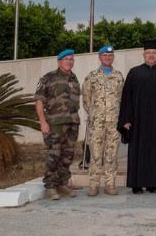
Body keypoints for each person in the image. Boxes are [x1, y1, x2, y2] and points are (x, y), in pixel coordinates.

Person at [118, 40, 156, 194]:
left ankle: (153, 183)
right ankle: (137, 184)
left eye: (154, 53)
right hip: (138, 122)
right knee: (138, 152)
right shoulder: (134, 72)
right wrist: (126, 120)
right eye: (148, 53)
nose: (151, 56)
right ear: (143, 55)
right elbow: (127, 98)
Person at [34, 49, 81, 201]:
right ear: (59, 61)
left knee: (67, 156)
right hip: (54, 124)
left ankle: (61, 184)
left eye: (71, 59)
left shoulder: (74, 78)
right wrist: (42, 122)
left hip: (72, 123)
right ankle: (50, 187)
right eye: (66, 59)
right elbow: (39, 101)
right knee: (54, 156)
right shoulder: (48, 78)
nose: (69, 61)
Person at [82, 45, 124, 196]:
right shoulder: (91, 76)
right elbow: (86, 99)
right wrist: (94, 114)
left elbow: (122, 98)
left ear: (113, 57)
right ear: (99, 57)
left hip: (114, 122)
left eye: (110, 55)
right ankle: (93, 185)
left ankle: (110, 184)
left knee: (111, 154)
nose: (107, 58)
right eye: (105, 55)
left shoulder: (119, 76)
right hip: (97, 123)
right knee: (96, 154)